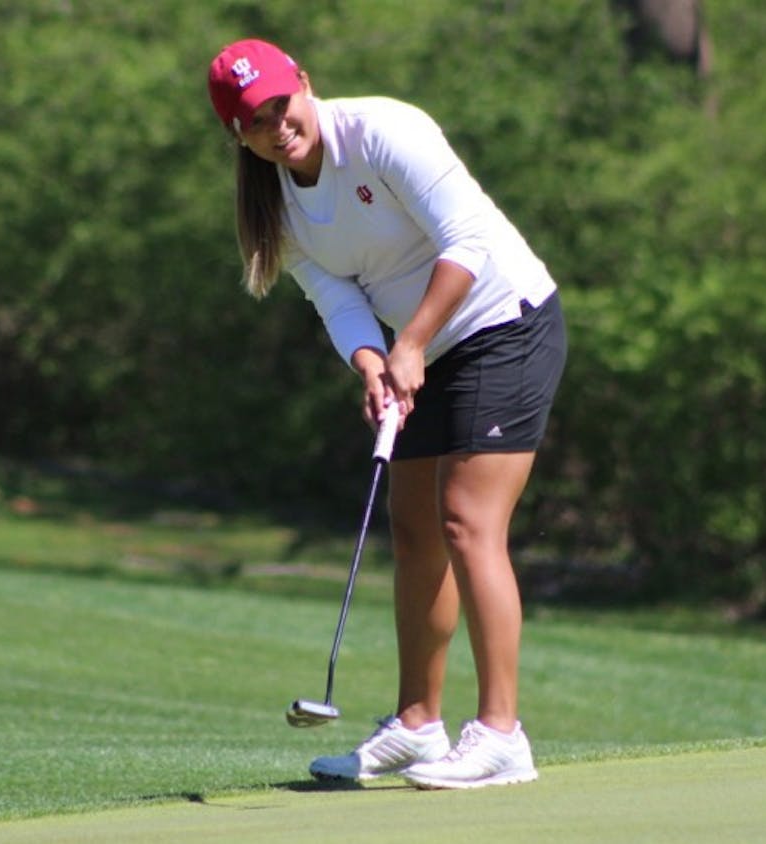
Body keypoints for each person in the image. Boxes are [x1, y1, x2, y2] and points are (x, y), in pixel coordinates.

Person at [207, 38, 567, 790]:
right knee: (413, 528)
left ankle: (502, 735)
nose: (278, 125)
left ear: (304, 83)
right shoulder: (277, 205)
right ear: (237, 135)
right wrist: (371, 362)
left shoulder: (384, 131)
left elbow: (467, 240)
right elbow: (336, 296)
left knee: (468, 522)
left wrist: (410, 344)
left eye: (282, 104)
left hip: (504, 323)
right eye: (256, 121)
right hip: (418, 348)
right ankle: (417, 725)